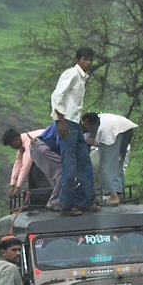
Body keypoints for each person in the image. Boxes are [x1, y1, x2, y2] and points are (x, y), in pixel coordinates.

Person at [50, 47, 96, 216]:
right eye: (85, 59)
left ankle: (84, 201)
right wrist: (61, 121)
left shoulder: (82, 78)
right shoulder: (72, 74)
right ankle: (66, 206)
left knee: (85, 163)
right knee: (69, 166)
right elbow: (57, 96)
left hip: (75, 123)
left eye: (90, 60)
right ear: (77, 60)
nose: (88, 62)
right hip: (67, 123)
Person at [81, 112, 138, 206]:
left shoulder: (94, 125)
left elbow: (91, 142)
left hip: (113, 131)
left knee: (106, 166)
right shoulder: (98, 120)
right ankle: (119, 194)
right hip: (126, 128)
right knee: (117, 165)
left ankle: (114, 196)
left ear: (86, 122)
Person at [2, 128, 62, 211]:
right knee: (32, 171)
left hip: (52, 149)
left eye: (12, 145)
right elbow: (18, 163)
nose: (12, 148)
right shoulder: (23, 144)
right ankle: (35, 198)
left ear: (16, 139)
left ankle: (47, 197)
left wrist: (18, 186)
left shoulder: (29, 142)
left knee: (36, 171)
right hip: (44, 150)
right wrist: (12, 184)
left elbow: (25, 165)